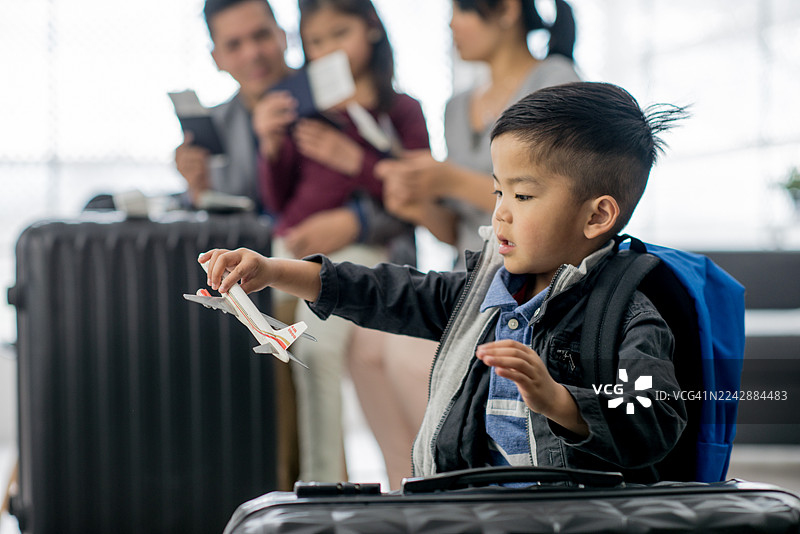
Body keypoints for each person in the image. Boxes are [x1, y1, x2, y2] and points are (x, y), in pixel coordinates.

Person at [198, 82, 688, 482]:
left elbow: (655, 420)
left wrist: (559, 400)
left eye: (522, 194)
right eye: (498, 190)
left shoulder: (629, 316)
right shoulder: (485, 293)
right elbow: (389, 292)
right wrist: (272, 270)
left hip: (568, 516)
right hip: (473, 505)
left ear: (598, 215)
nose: (499, 212)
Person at [348, 0, 580, 488]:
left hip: (529, 284)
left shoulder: (555, 80)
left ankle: (456, 485)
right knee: (365, 346)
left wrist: (445, 177)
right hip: (473, 275)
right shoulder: (457, 107)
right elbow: (456, 230)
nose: (452, 24)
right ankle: (405, 485)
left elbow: (550, 193)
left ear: (508, 10)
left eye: (462, 11)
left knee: (405, 357)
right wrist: (417, 202)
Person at [255, 0, 429, 484]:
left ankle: (323, 487)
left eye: (339, 34)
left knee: (313, 346)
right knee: (260, 344)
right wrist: (270, 147)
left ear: (371, 27)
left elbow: (416, 200)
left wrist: (354, 158)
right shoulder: (303, 109)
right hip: (291, 248)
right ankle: (302, 479)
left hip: (362, 253)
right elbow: (278, 195)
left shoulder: (400, 111)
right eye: (315, 42)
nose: (327, 50)